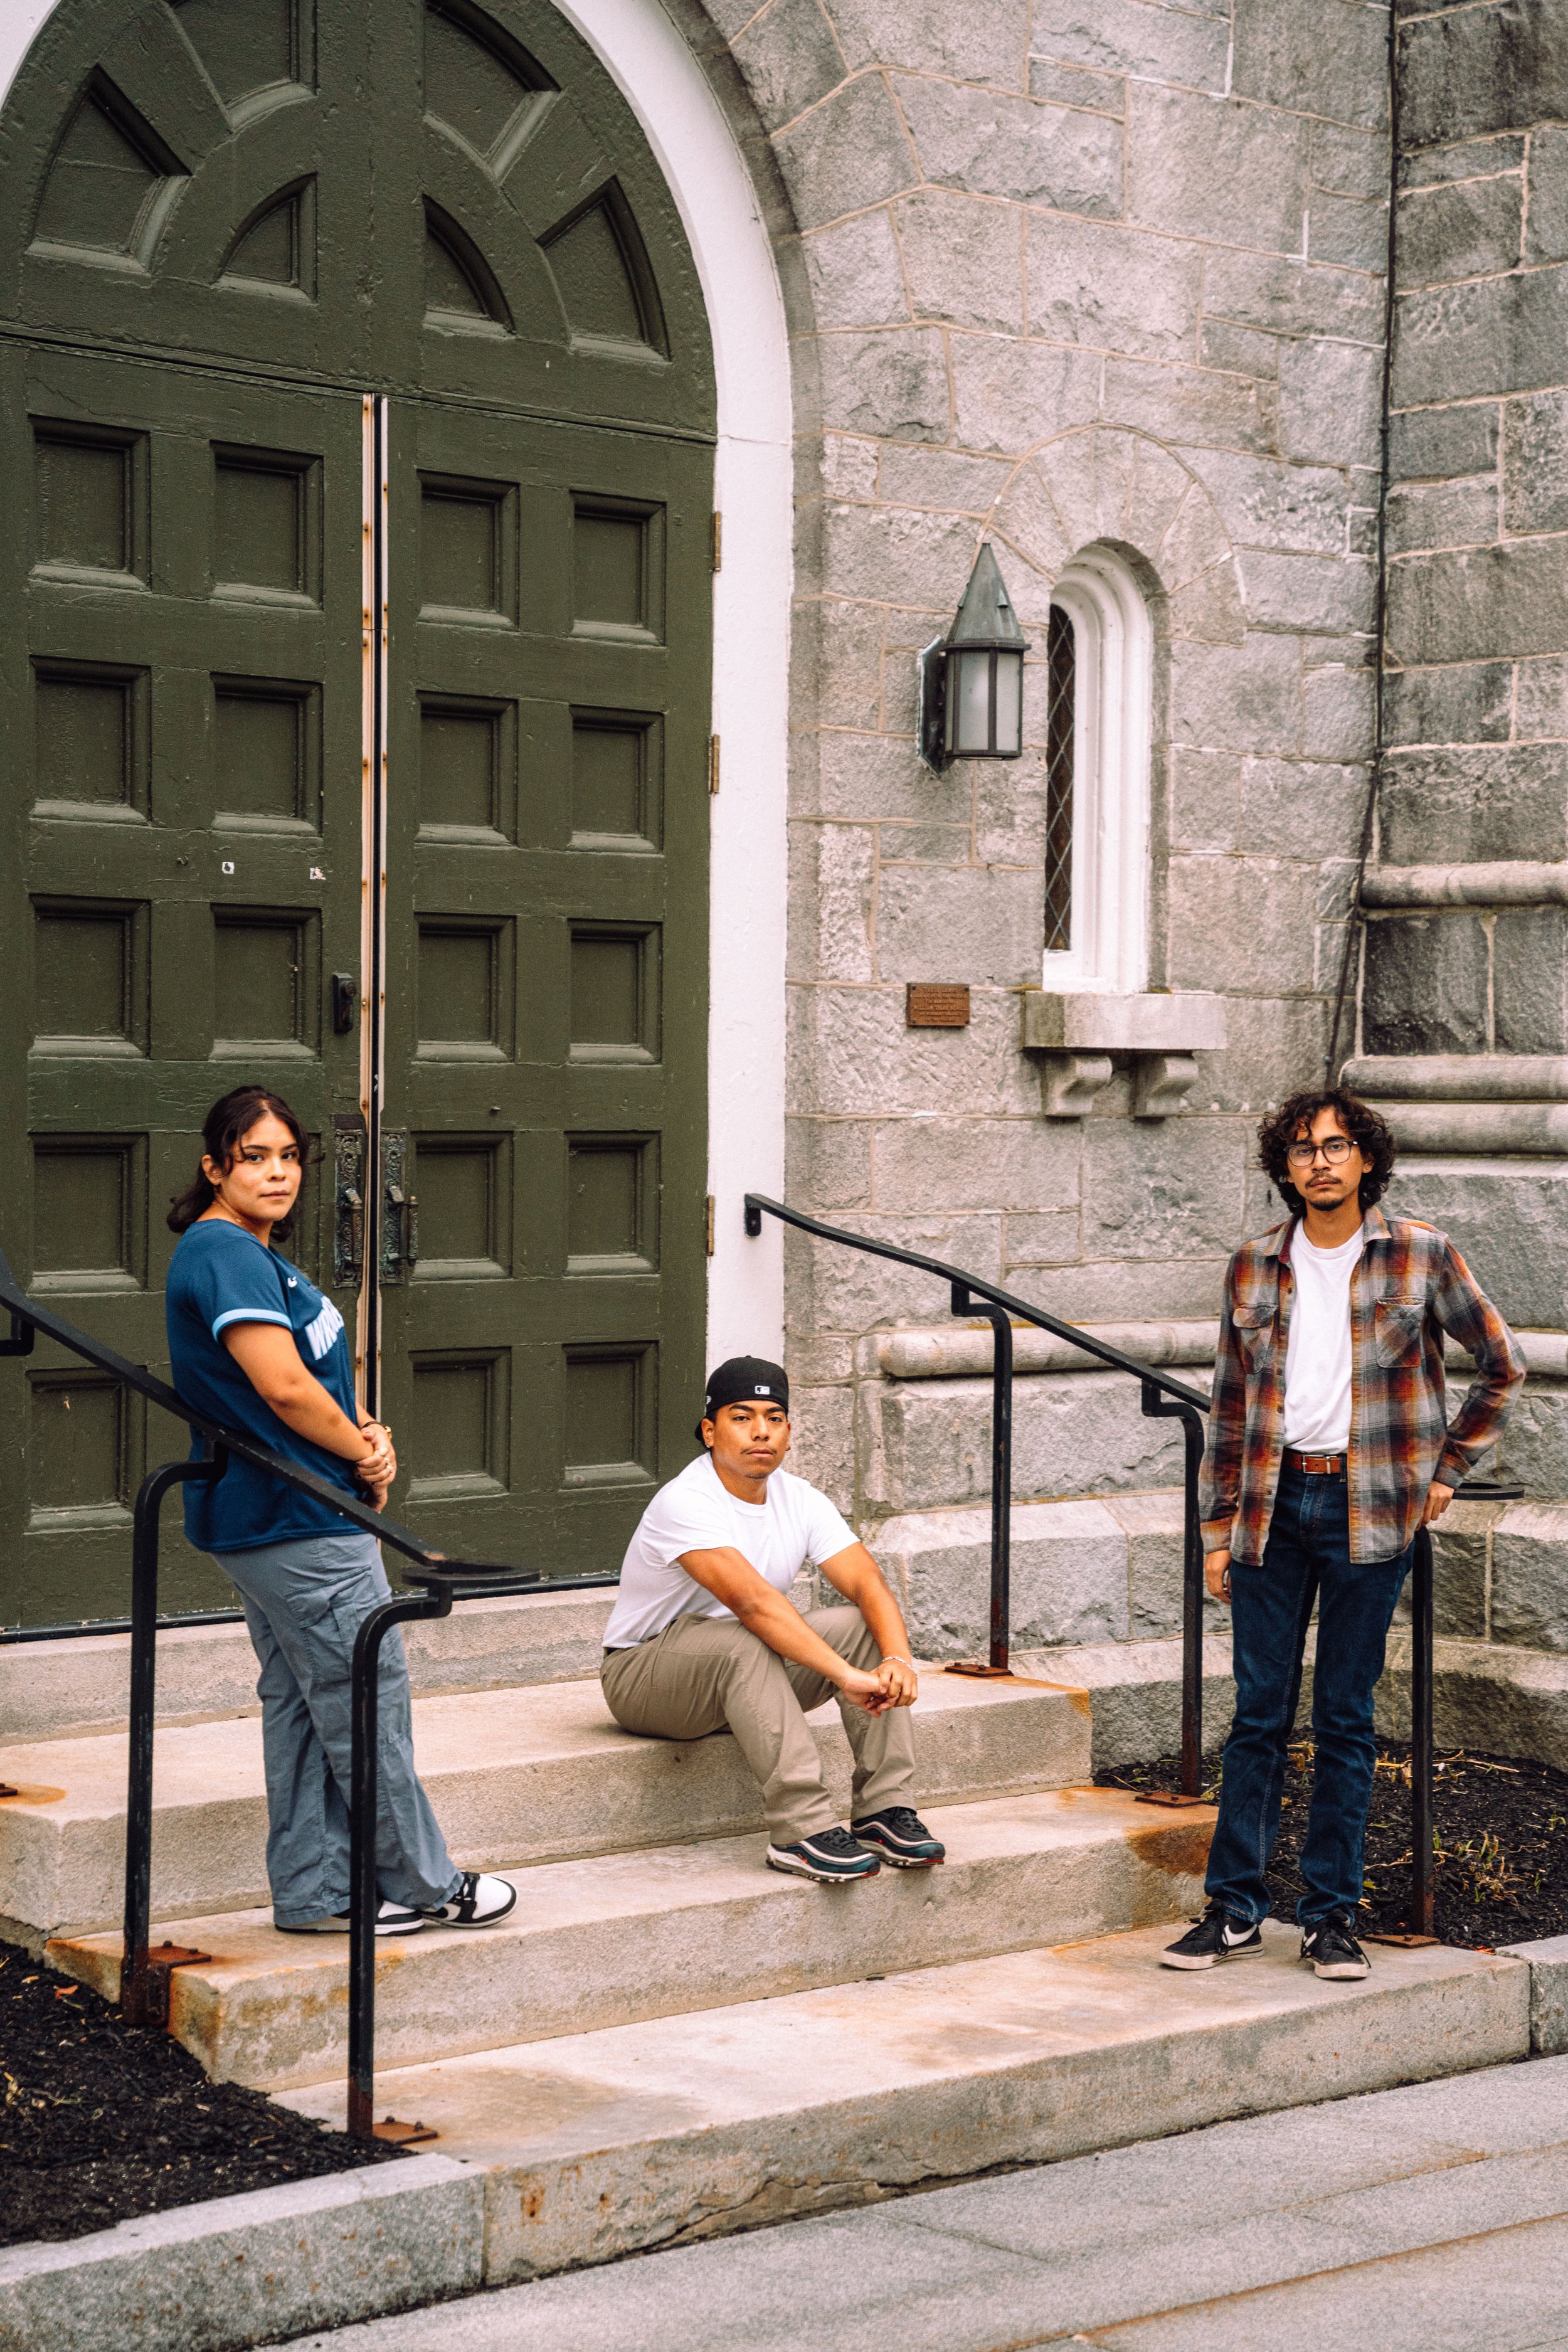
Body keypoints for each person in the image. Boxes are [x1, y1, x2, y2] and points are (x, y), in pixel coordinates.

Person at [1163, 1086, 1523, 1981]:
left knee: (1345, 1717)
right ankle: (1235, 1909)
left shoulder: (1421, 1255)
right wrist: (1217, 1530)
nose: (1318, 1161)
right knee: (1255, 1716)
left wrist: (1445, 1472)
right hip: (1270, 1510)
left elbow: (1502, 1365)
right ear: (1283, 1169)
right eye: (1299, 1148)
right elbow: (1230, 1406)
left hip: (1372, 1509)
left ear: (1366, 1157)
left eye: (1334, 1145)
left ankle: (1331, 1918)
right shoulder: (1253, 1265)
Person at [164, 1085, 517, 1937]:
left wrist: (368, 1435)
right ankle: (426, 1884)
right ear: (215, 1166)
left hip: (288, 1512)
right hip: (298, 1521)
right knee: (366, 1693)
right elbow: (282, 1387)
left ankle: (319, 1890)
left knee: (302, 1698)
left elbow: (312, 1387)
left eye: (289, 1155)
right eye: (255, 1156)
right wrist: (357, 1455)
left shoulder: (250, 1253)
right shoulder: (227, 1254)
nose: (277, 1171)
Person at [600, 1356, 945, 1884]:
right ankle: (799, 1831)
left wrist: (898, 1659)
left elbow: (866, 1582)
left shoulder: (799, 1498)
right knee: (747, 1638)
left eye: (774, 1417)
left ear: (788, 1432)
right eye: (742, 1417)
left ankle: (883, 1810)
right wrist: (847, 1677)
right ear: (710, 1431)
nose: (761, 1431)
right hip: (647, 1677)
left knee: (859, 1624)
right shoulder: (686, 1500)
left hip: (747, 1675)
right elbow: (754, 1605)